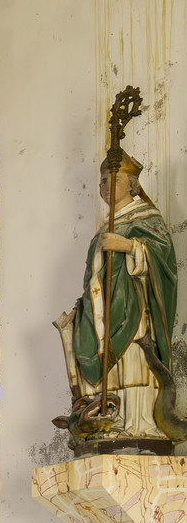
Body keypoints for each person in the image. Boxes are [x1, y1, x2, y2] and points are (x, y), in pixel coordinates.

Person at [54, 150, 176, 442]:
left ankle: (138, 423)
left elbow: (165, 262)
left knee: (133, 359)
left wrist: (130, 246)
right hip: (102, 312)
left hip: (133, 309)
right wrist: (84, 307)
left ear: (132, 184)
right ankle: (109, 421)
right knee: (98, 359)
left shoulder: (147, 217)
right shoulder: (101, 230)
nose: (106, 186)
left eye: (114, 180)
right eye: (102, 182)